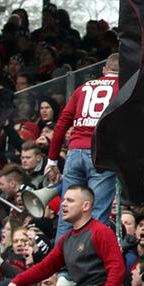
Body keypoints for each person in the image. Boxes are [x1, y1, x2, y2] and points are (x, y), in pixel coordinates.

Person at [6, 186, 125, 286]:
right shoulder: (67, 239)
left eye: (70, 200)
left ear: (85, 206)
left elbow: (117, 267)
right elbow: (45, 267)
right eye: (64, 200)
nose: (63, 204)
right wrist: (16, 281)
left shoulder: (101, 232)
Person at [50, 54, 120, 237]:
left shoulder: (82, 88)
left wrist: (51, 160)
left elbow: (61, 124)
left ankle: (62, 264)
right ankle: (88, 263)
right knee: (96, 214)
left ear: (104, 70)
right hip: (101, 155)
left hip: (74, 154)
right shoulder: (124, 88)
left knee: (68, 212)